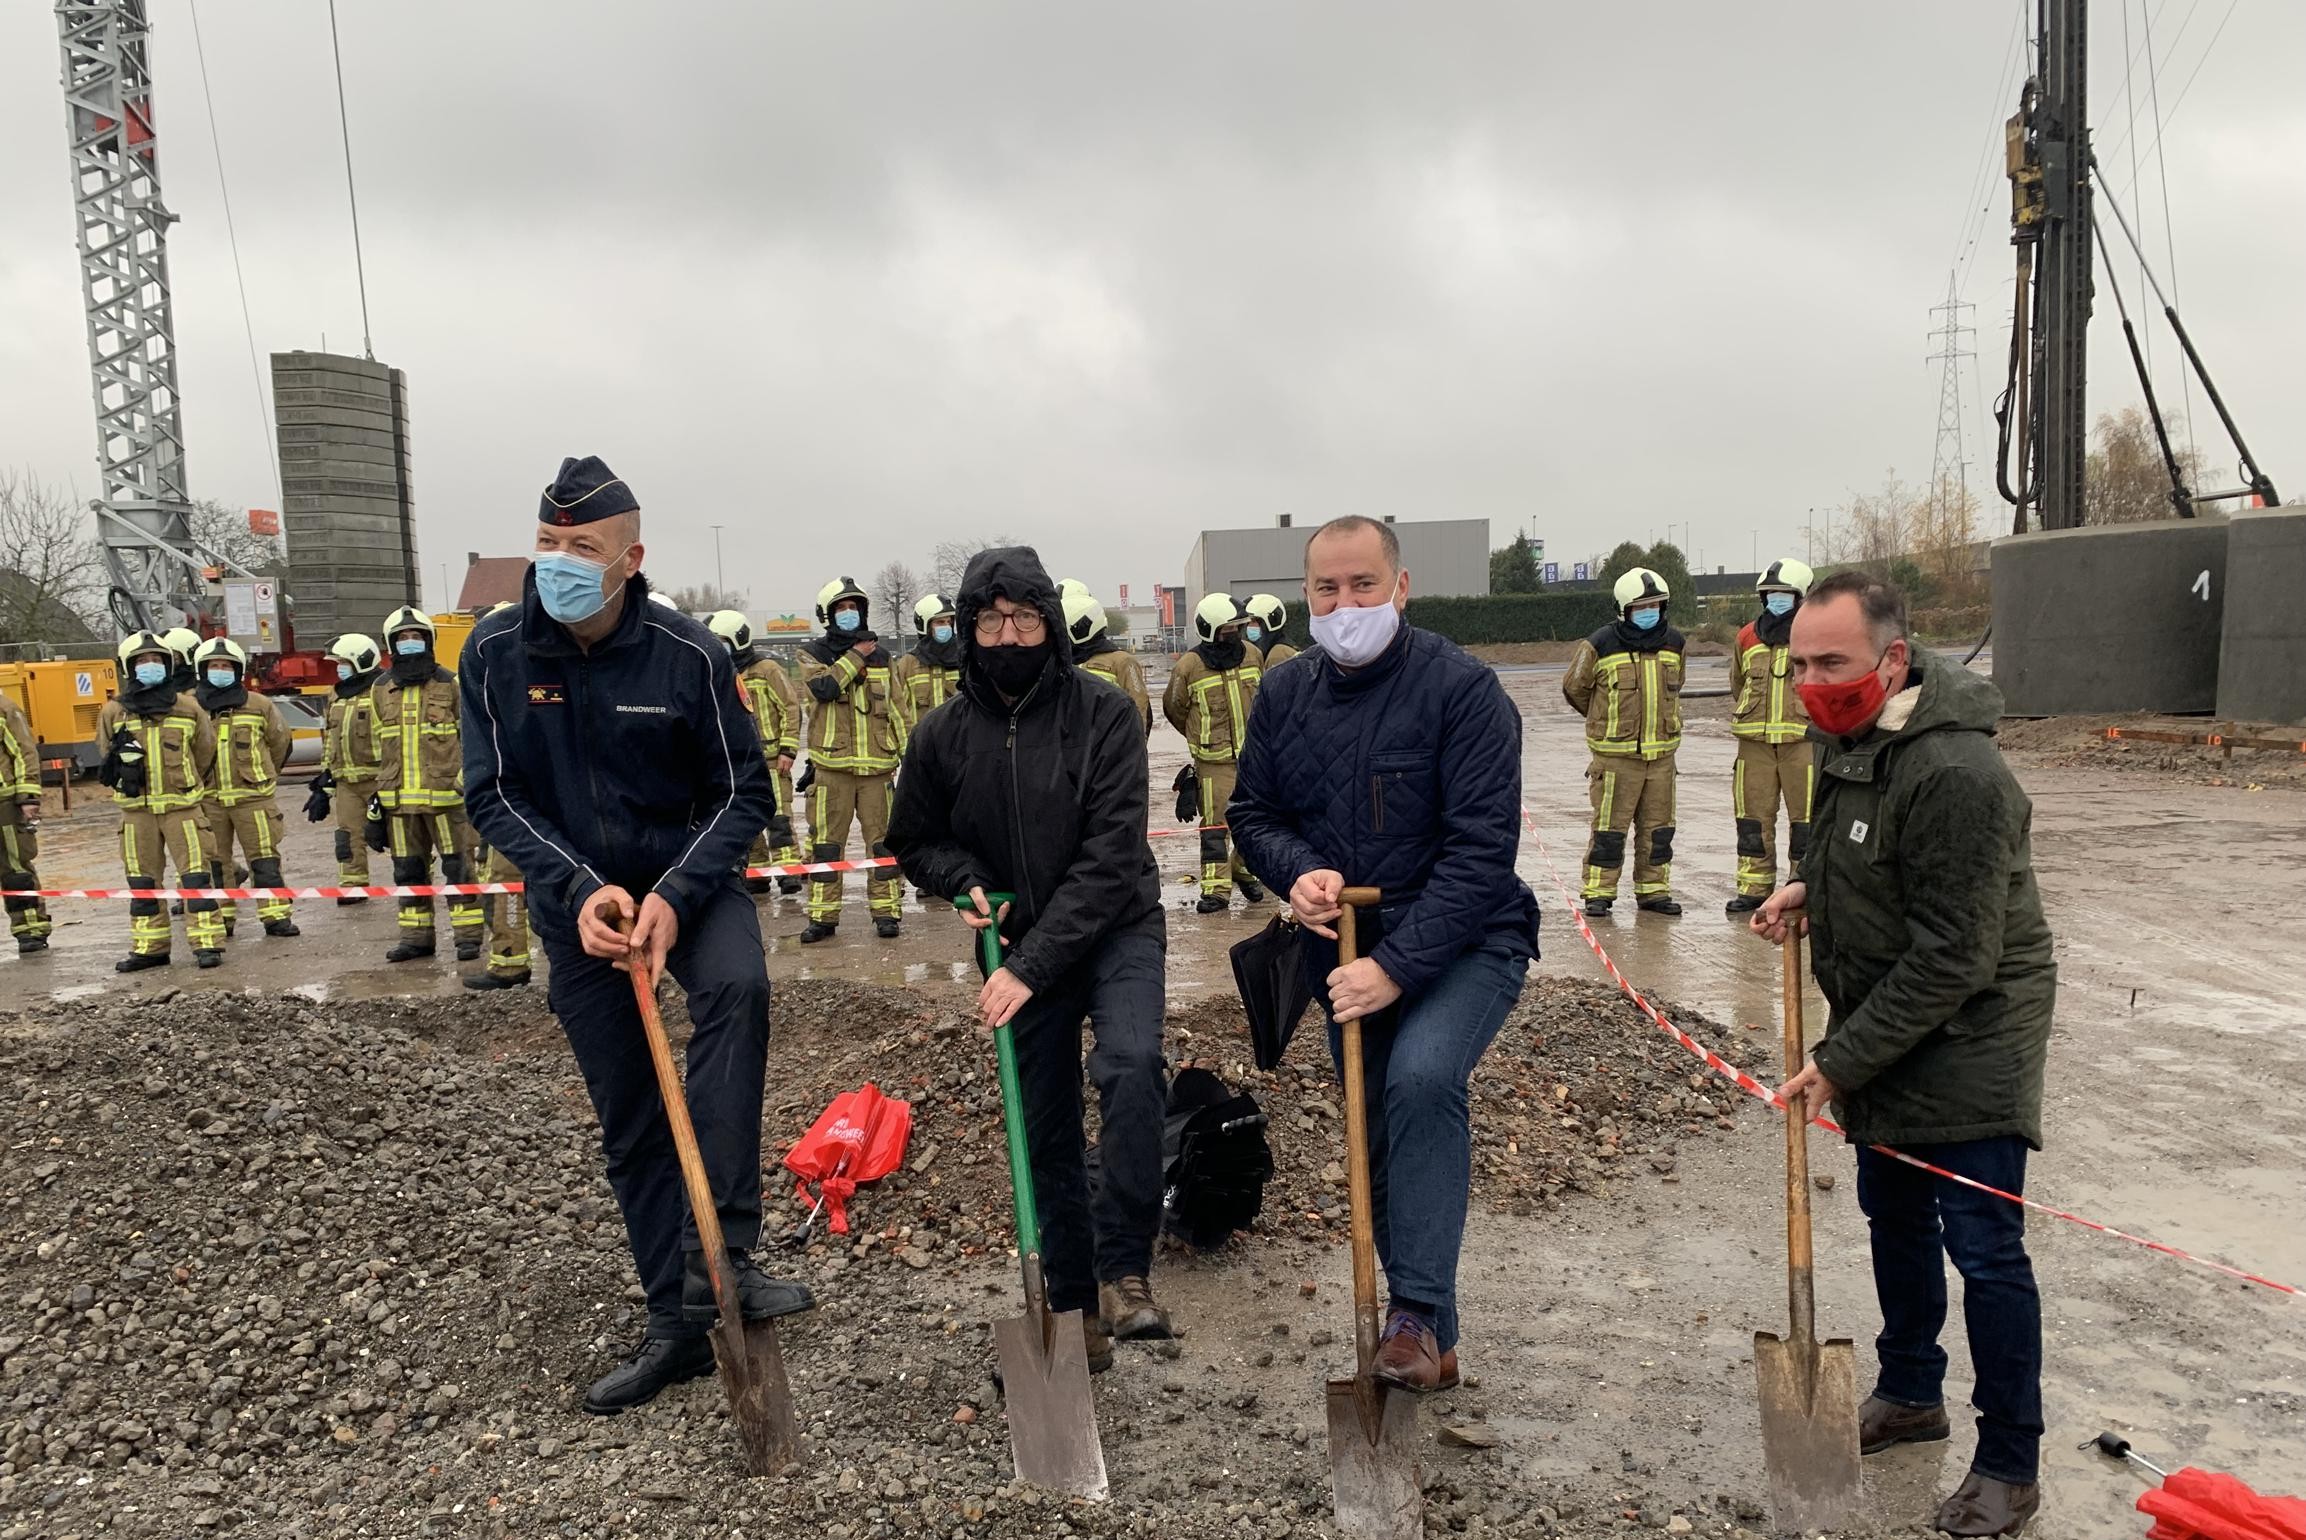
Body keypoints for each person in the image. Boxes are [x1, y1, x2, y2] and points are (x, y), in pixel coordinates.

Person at [463, 454, 812, 1413]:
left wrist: (672, 892)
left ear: (630, 558)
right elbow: (492, 791)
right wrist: (578, 889)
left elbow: (745, 790)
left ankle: (728, 1255)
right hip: (576, 913)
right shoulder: (493, 656)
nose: (560, 562)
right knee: (631, 1116)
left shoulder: (688, 655)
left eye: (583, 547)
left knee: (738, 992)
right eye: (547, 544)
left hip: (687, 891)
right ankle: (676, 1322)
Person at [1751, 571, 2052, 1538]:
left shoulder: (1957, 773)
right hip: (1893, 1027)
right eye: (1798, 663)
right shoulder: (1852, 744)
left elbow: (1956, 954)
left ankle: (2010, 1459)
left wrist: (1841, 1061)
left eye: (1830, 662)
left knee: (1985, 1250)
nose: (1810, 682)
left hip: (1970, 1038)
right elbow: (1865, 853)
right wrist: (1809, 890)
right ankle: (1911, 1390)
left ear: (1891, 659)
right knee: (1894, 1216)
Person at [1229, 514, 1539, 1391]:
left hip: (1468, 939)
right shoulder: (1285, 696)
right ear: (1307, 597)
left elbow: (1482, 854)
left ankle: (1412, 1314)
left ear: (1400, 588)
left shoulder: (1464, 691)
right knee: (1372, 1121)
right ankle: (1431, 1342)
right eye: (1326, 589)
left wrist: (1396, 968)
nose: (1344, 603)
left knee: (1422, 1080)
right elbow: (1254, 814)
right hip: (1346, 941)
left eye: (1363, 585)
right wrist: (1298, 875)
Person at [887, 546, 1171, 1370]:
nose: (1009, 633)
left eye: (1025, 617)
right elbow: (915, 839)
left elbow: (1111, 858)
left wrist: (1030, 967)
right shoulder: (941, 734)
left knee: (1130, 1064)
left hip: (1115, 929)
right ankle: (1076, 1305)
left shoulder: (1106, 715)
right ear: (968, 630)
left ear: (1051, 623)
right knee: (1043, 1120)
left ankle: (1125, 1271)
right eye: (990, 618)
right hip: (1012, 939)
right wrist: (961, 879)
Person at [97, 630, 225, 971]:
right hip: (136, 812)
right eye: (141, 660)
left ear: (168, 665)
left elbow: (204, 753)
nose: (149, 666)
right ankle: (150, 948)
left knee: (196, 877)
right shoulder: (114, 712)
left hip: (182, 809)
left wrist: (183, 786)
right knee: (142, 882)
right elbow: (105, 754)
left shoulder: (188, 709)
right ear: (128, 667)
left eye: (156, 660)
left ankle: (207, 943)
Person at [1562, 567, 1685, 918]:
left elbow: (1676, 690)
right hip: (1615, 760)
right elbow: (1575, 687)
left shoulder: (1675, 644)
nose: (1650, 613)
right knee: (1609, 832)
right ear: (1623, 609)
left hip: (1661, 758)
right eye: (1641, 607)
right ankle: (1599, 892)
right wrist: (1603, 720)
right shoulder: (1600, 644)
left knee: (1658, 830)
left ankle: (1654, 891)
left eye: (1656, 606)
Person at [795, 577, 907, 943]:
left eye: (854, 607)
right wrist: (856, 654)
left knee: (884, 845)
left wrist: (911, 760)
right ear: (828, 615)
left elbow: (898, 708)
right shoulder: (811, 654)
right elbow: (824, 689)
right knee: (826, 845)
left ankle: (887, 913)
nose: (849, 613)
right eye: (841, 608)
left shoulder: (884, 657)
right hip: (832, 770)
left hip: (878, 769)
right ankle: (823, 918)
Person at [372, 606, 486, 964]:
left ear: (429, 641)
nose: (410, 643)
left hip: (447, 802)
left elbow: (473, 735)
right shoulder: (380, 688)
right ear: (392, 644)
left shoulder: (450, 683)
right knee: (407, 872)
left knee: (459, 868)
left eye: (416, 637)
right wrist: (377, 801)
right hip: (400, 804)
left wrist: (464, 784)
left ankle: (468, 937)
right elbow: (380, 747)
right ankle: (416, 938)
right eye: (403, 638)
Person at [191, 637, 300, 939]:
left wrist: (263, 777)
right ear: (203, 669)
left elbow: (280, 743)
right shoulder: (190, 707)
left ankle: (276, 916)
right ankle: (223, 918)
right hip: (208, 800)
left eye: (226, 666)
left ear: (237, 670)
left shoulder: (259, 705)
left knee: (264, 859)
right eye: (214, 665)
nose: (220, 671)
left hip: (253, 800)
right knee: (216, 863)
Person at [1163, 593, 1265, 912]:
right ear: (1209, 630)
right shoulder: (1189, 666)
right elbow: (1175, 708)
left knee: (1255, 822)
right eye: (1226, 630)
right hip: (1214, 762)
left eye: (1237, 628)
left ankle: (1244, 872)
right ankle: (1216, 890)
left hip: (1253, 758)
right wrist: (1200, 738)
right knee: (1215, 828)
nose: (1233, 636)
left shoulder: (1252, 655)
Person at [1726, 558, 1816, 915]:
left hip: (1803, 741)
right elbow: (1738, 683)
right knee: (1752, 820)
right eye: (1770, 594)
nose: (1776, 600)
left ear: (1801, 597)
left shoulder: (1812, 635)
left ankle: (1801, 884)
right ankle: (1753, 887)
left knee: (1806, 821)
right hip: (1754, 744)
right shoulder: (1747, 636)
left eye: (1784, 594)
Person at [707, 609, 803, 897]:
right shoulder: (717, 672)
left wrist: (788, 749)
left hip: (773, 760)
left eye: (722, 641)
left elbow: (790, 707)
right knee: (747, 821)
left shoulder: (766, 670)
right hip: (738, 763)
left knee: (780, 819)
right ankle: (758, 872)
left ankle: (788, 872)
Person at [463, 603, 533, 991]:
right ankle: (509, 963)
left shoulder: (547, 677)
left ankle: (580, 973)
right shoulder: (481, 686)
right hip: (509, 806)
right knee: (505, 881)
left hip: (547, 806)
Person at [309, 634, 385, 905]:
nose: (339, 667)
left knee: (398, 834)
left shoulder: (382, 690)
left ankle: (413, 880)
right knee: (347, 835)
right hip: (346, 782)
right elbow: (331, 739)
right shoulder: (336, 694)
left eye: (344, 662)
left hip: (380, 779)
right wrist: (324, 779)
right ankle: (353, 884)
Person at [0, 691, 52, 955]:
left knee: (16, 869)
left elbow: (24, 753)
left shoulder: (4, 708)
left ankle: (30, 930)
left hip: (4, 805)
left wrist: (28, 798)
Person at [1062, 585, 1151, 736]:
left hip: (1110, 750)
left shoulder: (1123, 662)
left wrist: (1133, 751)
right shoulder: (1063, 661)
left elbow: (1140, 707)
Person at [893, 593, 964, 721]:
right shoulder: (907, 664)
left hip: (958, 740)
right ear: (925, 626)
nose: (946, 627)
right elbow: (897, 711)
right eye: (940, 622)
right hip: (921, 740)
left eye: (949, 622)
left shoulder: (963, 660)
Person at [1243, 593, 1297, 669]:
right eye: (1247, 622)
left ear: (1271, 622)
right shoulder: (1279, 648)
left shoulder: (1278, 655)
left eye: (1254, 621)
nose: (1249, 626)